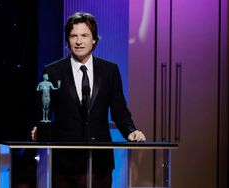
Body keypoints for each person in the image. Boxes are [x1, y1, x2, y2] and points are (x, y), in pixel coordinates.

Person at [31, 12, 146, 188]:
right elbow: (42, 112)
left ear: (94, 39)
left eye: (84, 35)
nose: (78, 41)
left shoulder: (109, 71)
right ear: (67, 40)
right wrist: (39, 129)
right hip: (65, 164)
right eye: (73, 36)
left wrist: (130, 131)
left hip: (100, 163)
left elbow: (119, 110)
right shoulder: (52, 71)